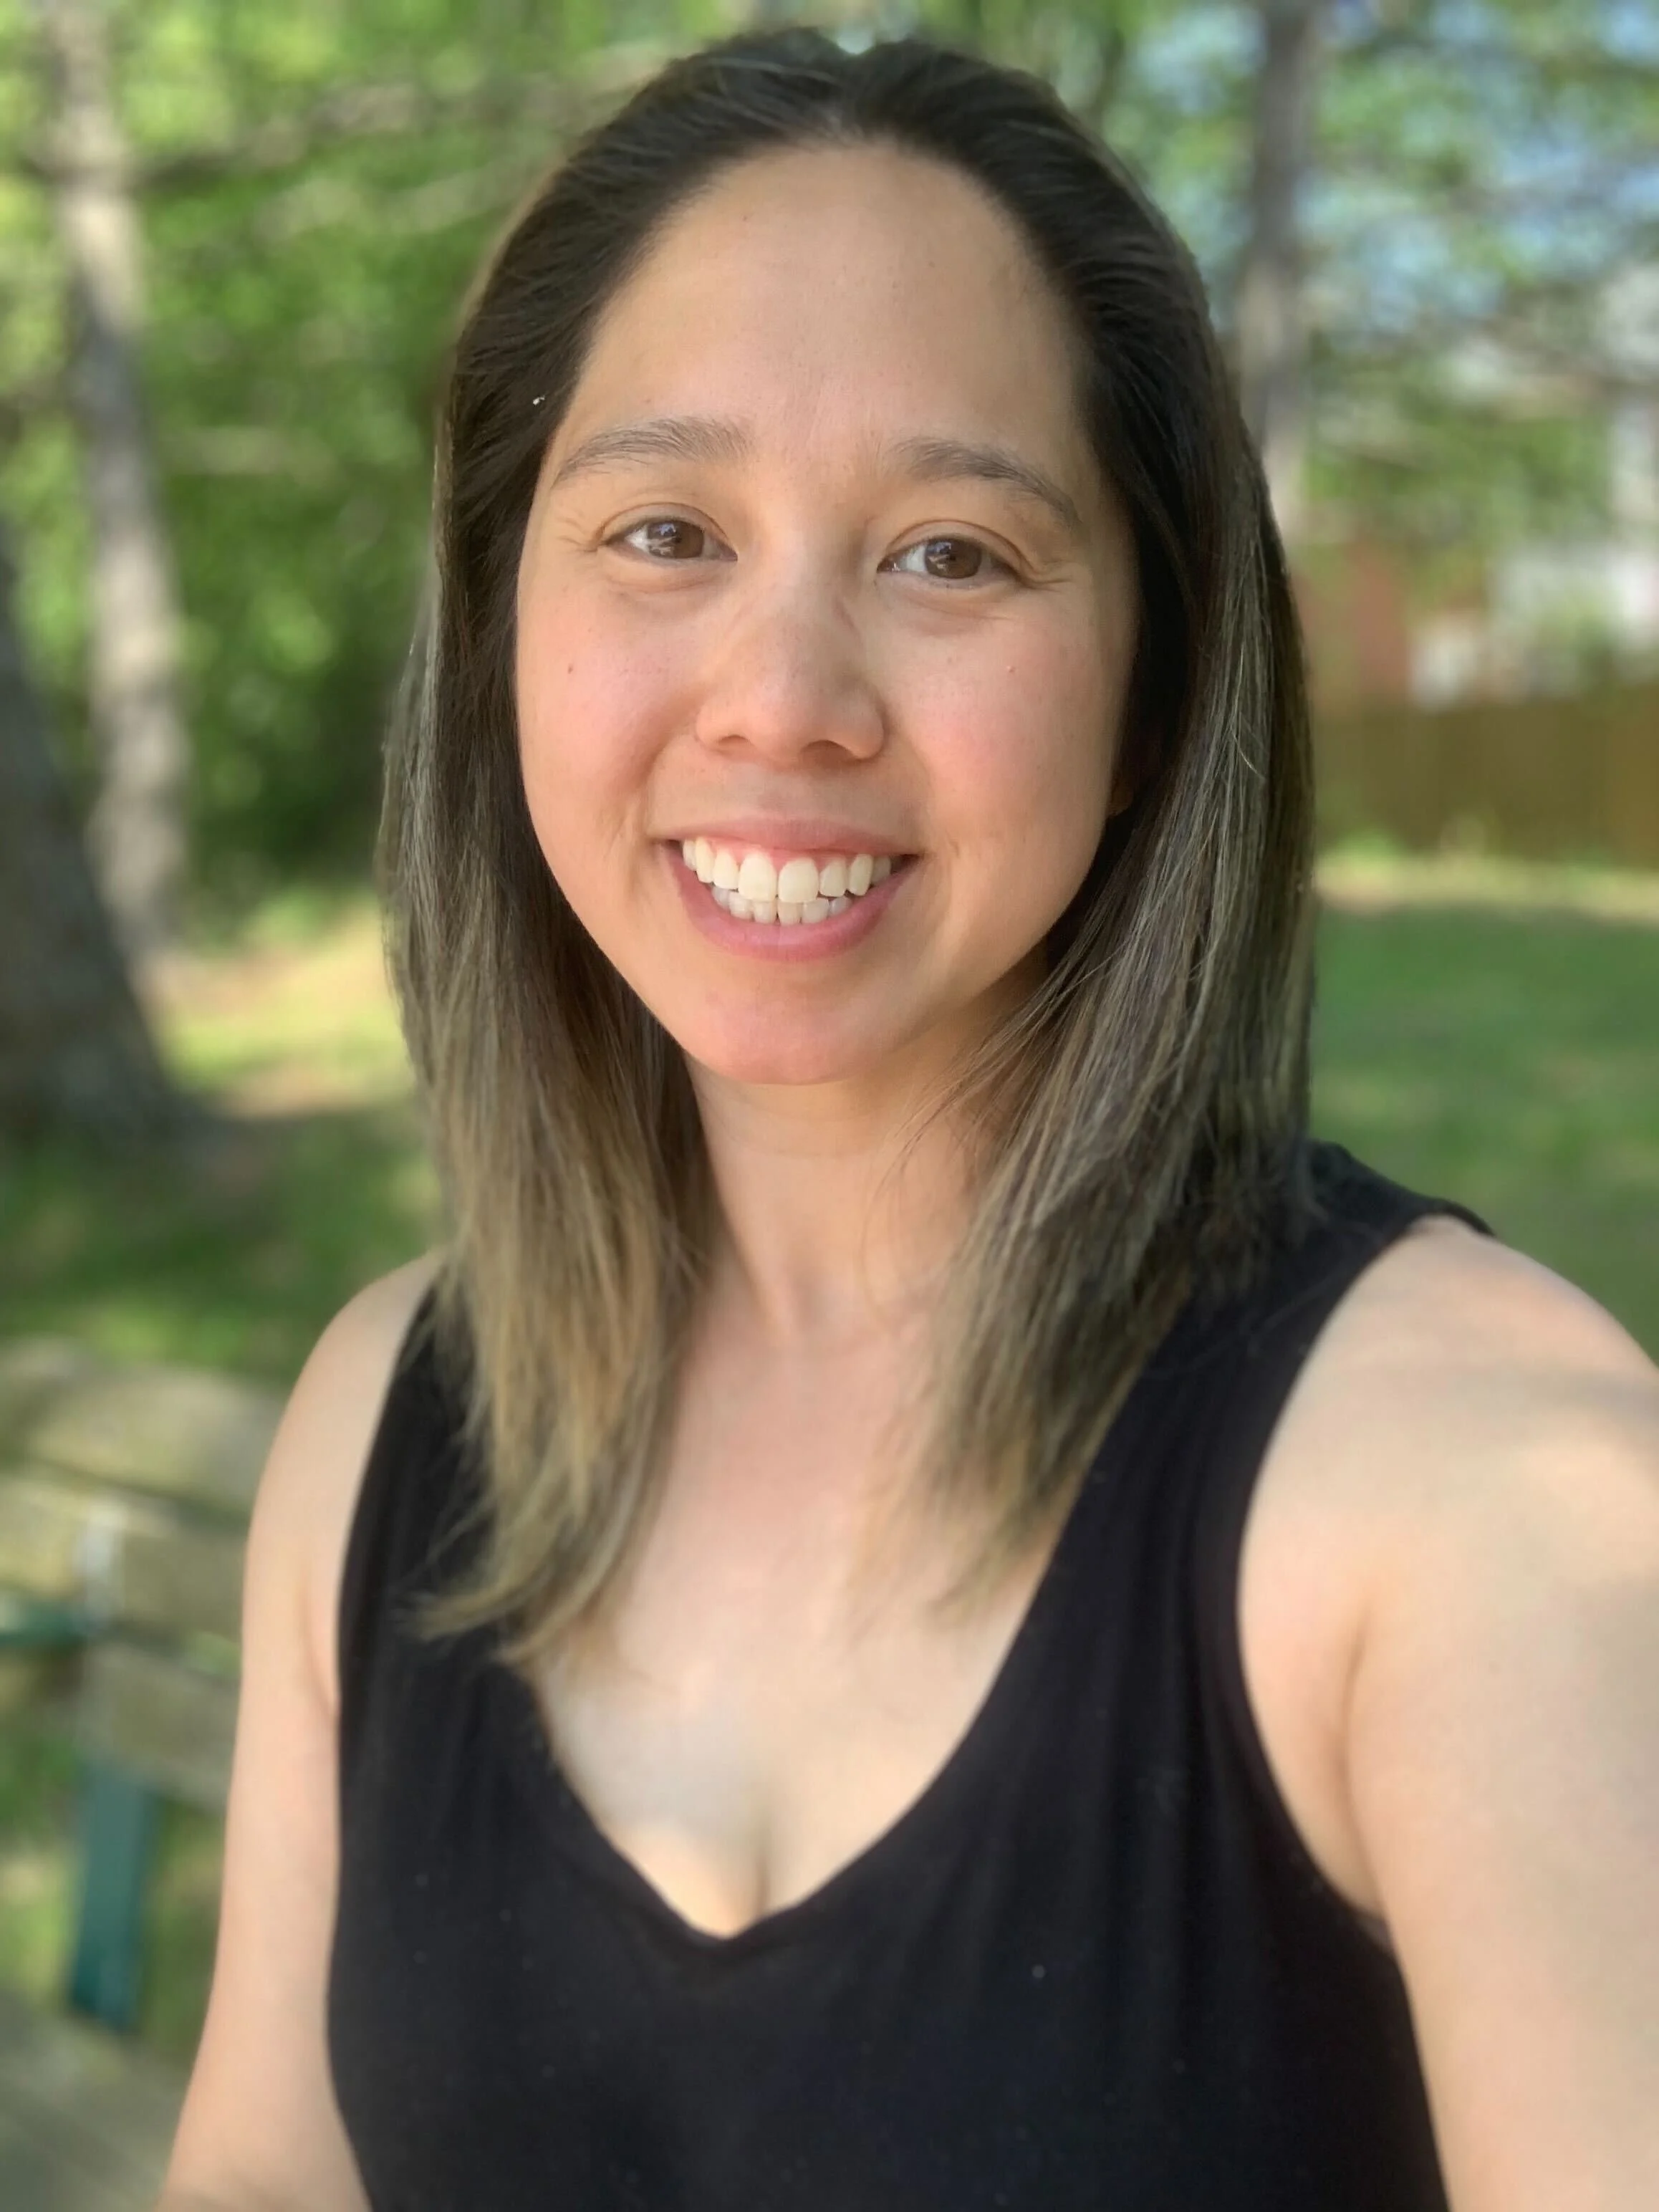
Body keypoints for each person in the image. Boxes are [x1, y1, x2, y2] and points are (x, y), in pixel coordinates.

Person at [155, 26, 1659, 2212]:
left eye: (950, 554)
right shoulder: (376, 1425)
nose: (784, 700)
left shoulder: (1480, 1491)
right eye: (664, 532)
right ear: (496, 631)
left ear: (1152, 689)